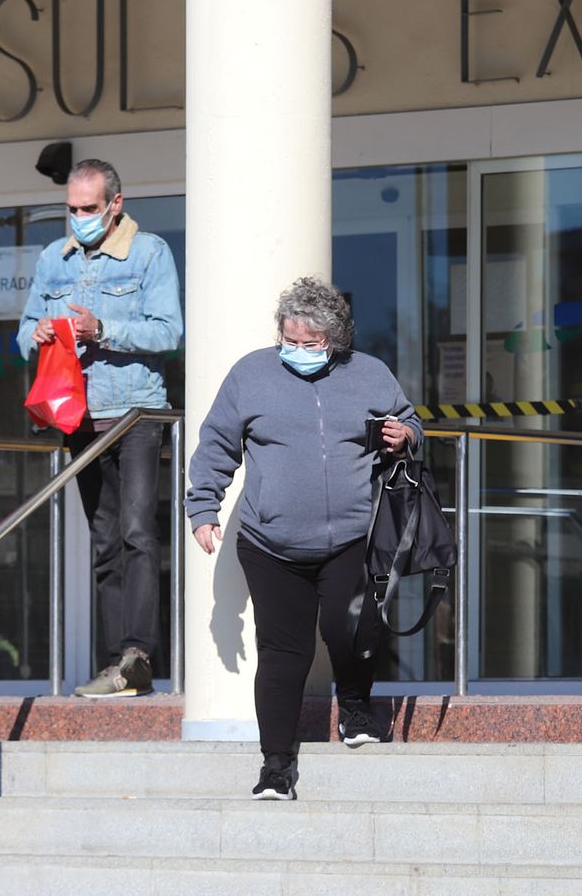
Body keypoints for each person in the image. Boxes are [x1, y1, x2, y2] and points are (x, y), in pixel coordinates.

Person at [185, 277, 420, 801]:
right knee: (282, 653)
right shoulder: (251, 374)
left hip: (351, 538)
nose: (297, 351)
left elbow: (410, 422)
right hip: (271, 544)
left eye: (309, 344)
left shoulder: (370, 374)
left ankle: (355, 707)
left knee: (349, 629)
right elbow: (216, 444)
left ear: (335, 341)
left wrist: (405, 435)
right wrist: (203, 507)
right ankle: (276, 765)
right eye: (288, 340)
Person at [17, 159, 184, 698]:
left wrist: (104, 328)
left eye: (89, 209)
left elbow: (169, 333)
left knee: (138, 532)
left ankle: (138, 655)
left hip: (135, 411)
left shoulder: (150, 252)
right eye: (71, 209)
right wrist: (38, 332)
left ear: (116, 204)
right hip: (77, 414)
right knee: (104, 540)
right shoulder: (52, 258)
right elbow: (21, 333)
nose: (79, 219)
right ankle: (116, 663)